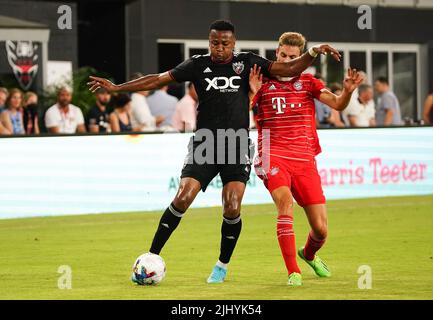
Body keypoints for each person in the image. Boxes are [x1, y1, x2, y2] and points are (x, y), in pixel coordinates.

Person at [88, 19, 341, 284]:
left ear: (234, 43)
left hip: (237, 144)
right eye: (214, 43)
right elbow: (158, 79)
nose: (219, 48)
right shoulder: (197, 64)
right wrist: (118, 87)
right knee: (183, 196)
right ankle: (151, 255)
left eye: (225, 43)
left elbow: (290, 67)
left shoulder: (249, 62)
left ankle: (221, 266)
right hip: (205, 142)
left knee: (232, 205)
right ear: (209, 42)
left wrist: (312, 52)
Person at [249, 31, 362, 286]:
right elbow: (237, 114)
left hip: (304, 157)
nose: (288, 61)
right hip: (272, 152)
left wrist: (347, 92)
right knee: (285, 204)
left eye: (293, 57)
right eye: (284, 56)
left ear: (300, 57)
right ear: (276, 53)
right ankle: (293, 272)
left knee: (321, 229)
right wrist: (251, 92)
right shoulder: (260, 80)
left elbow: (338, 105)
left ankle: (308, 254)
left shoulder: (309, 82)